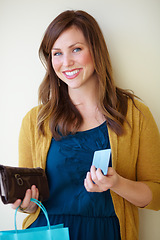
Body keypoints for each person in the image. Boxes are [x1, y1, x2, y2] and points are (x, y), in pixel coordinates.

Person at [12, 10, 160, 240]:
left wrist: (117, 183)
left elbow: (156, 195)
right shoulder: (35, 121)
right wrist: (27, 205)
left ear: (96, 50)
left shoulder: (135, 115)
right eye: (57, 53)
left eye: (76, 49)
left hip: (106, 234)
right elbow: (31, 204)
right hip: (47, 233)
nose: (66, 62)